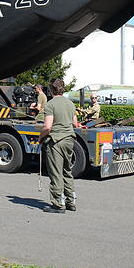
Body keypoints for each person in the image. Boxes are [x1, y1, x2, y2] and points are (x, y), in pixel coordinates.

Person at [38, 79, 79, 213]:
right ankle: (71, 201)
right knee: (67, 171)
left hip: (56, 141)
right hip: (69, 140)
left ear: (51, 90)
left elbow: (48, 127)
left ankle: (58, 203)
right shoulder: (70, 104)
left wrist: (40, 137)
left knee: (56, 172)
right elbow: (75, 124)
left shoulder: (50, 105)